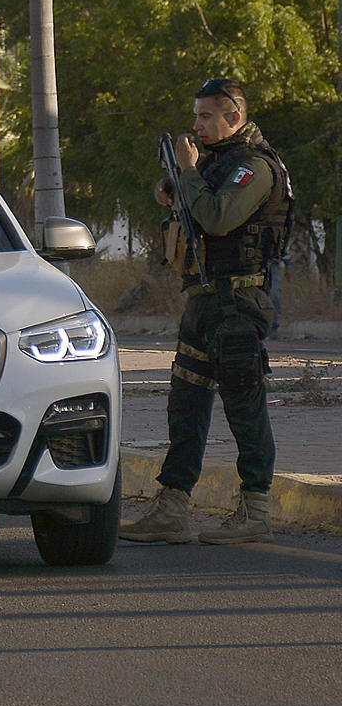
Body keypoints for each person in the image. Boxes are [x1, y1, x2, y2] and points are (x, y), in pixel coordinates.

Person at [123, 78, 293, 546]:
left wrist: (189, 174)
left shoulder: (254, 167)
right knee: (186, 404)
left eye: (204, 117)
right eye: (195, 116)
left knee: (244, 405)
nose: (195, 126)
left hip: (239, 303)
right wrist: (174, 184)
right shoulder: (218, 165)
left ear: (233, 117)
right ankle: (172, 506)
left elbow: (218, 217)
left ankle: (255, 509)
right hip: (202, 299)